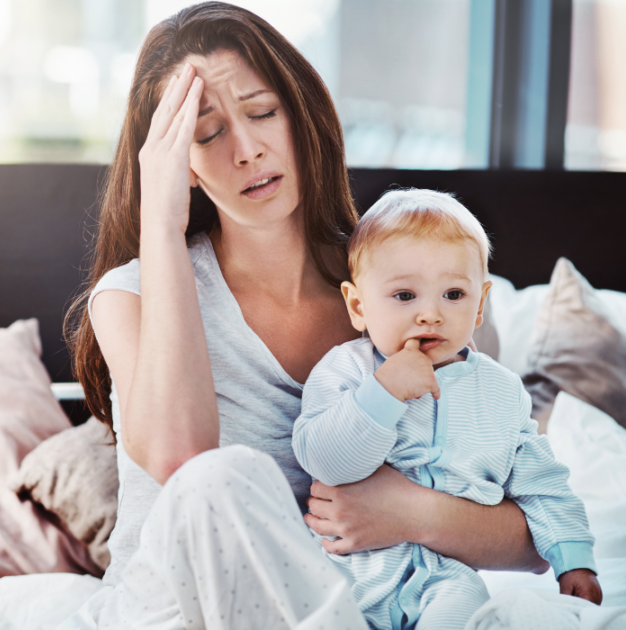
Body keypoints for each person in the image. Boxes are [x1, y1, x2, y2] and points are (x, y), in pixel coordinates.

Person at [63, 3, 549, 628]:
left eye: (263, 112)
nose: (247, 150)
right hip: (177, 609)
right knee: (218, 479)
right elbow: (182, 458)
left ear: (301, 113)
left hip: (351, 604)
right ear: (175, 162)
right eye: (206, 134)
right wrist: (160, 220)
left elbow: (539, 532)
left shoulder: (413, 295)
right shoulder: (129, 295)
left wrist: (408, 513)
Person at [292, 189, 602, 630]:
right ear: (358, 306)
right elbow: (323, 460)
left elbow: (542, 483)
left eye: (454, 294)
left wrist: (574, 561)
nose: (430, 314)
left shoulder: (501, 390)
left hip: (444, 575)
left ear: (480, 305)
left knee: (467, 606)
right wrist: (384, 392)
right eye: (404, 296)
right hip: (345, 569)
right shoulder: (347, 370)